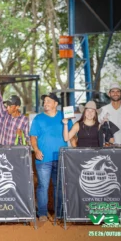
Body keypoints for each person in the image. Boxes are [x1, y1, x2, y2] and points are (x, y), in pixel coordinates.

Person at [30, 93, 73, 222]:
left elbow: (72, 135)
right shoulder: (38, 118)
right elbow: (33, 137)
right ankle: (43, 213)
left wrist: (75, 151)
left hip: (61, 157)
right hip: (43, 158)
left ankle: (58, 213)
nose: (45, 103)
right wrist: (36, 150)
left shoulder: (64, 117)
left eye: (48, 101)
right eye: (44, 102)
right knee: (43, 185)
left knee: (59, 186)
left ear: (56, 104)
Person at [0, 68, 29, 146]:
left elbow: (27, 140)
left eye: (10, 105)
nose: (7, 107)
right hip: (0, 147)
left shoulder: (24, 120)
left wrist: (20, 136)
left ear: (17, 107)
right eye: (7, 105)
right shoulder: (4, 114)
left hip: (14, 151)